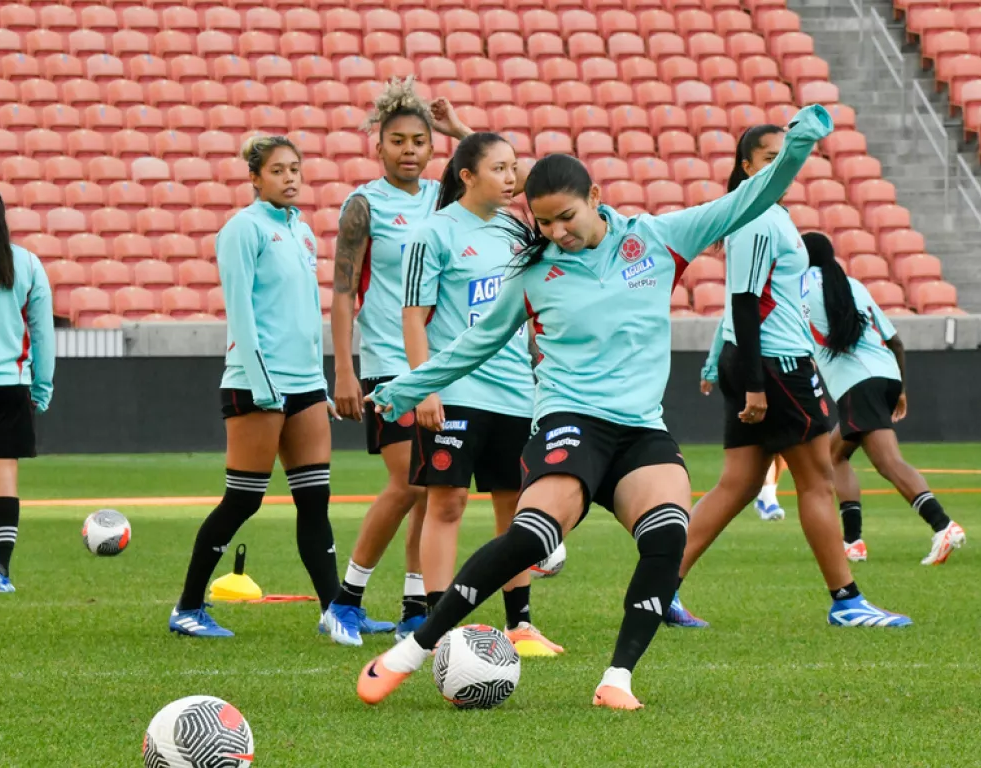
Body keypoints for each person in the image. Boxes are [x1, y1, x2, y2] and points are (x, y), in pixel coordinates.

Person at [354, 104, 834, 711]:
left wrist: (796, 148)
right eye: (544, 222)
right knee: (531, 535)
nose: (557, 232)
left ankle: (618, 679)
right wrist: (406, 386)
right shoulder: (534, 275)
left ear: (596, 197)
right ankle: (411, 650)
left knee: (668, 533)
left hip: (639, 430)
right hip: (568, 420)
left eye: (566, 218)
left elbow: (749, 200)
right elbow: (473, 345)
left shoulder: (658, 240)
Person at [668, 124, 910, 630]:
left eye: (787, 155)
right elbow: (746, 302)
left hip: (760, 362)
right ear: (748, 165)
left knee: (737, 484)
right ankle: (847, 601)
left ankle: (658, 588)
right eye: (770, 157)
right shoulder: (757, 215)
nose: (783, 164)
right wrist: (755, 382)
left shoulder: (762, 213)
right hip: (777, 367)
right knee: (818, 480)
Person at [169, 136, 352, 644]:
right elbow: (241, 316)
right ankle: (187, 607)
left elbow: (304, 319)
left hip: (305, 387)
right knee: (242, 502)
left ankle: (337, 611)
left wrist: (318, 382)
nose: (290, 178)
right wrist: (262, 382)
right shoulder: (242, 230)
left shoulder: (302, 232)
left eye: (296, 169)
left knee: (315, 501)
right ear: (255, 177)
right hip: (256, 387)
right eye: (278, 170)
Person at [398, 131, 564, 658]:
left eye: (514, 167)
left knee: (516, 511)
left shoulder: (519, 232)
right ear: (467, 176)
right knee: (447, 505)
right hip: (457, 392)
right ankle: (437, 628)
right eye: (499, 168)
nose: (512, 178)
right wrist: (424, 386)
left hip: (516, 395)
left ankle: (520, 623)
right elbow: (414, 318)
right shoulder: (434, 234)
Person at [330, 79, 476, 642]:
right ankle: (345, 600)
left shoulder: (444, 198)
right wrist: (343, 369)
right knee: (407, 483)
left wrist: (460, 130)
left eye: (420, 139)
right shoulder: (364, 206)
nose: (410, 149)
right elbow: (344, 291)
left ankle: (415, 605)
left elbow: (504, 178)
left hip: (438, 365)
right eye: (398, 140)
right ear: (379, 146)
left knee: (433, 484)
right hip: (389, 363)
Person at [802, 232, 965, 565]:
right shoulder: (855, 286)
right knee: (835, 455)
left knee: (887, 462)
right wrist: (900, 390)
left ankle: (943, 525)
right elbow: (897, 342)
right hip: (887, 375)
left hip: (857, 384)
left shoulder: (800, 288)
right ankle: (853, 542)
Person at [0, 183, 54, 594]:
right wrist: (41, 389)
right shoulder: (25, 262)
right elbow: (43, 335)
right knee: (4, 477)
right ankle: (0, 572)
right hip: (8, 385)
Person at [701, 317, 787, 522]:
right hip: (750, 373)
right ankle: (767, 497)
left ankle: (768, 494)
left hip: (782, 367)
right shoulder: (747, 294)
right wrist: (710, 369)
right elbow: (726, 327)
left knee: (782, 443)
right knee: (762, 440)